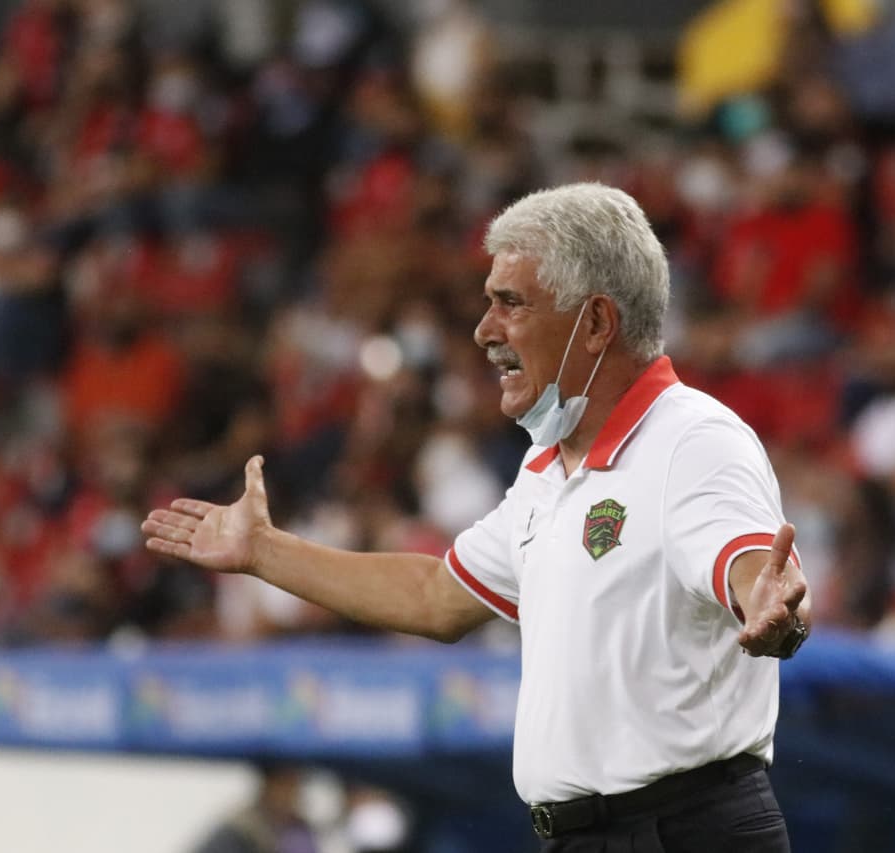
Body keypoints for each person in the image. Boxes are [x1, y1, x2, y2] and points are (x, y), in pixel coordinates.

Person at [142, 183, 811, 852]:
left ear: (596, 323)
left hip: (683, 832)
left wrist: (772, 606)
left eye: (511, 303)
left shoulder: (692, 440)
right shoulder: (548, 468)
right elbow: (435, 597)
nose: (484, 330)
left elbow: (756, 572)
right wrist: (264, 551)